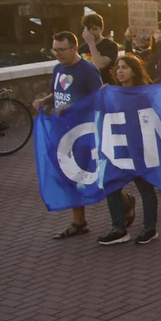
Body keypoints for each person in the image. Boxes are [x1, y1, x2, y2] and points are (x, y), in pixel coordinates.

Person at [36, 31, 106, 238]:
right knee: (70, 174)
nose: (57, 54)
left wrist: (74, 106)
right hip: (63, 132)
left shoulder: (88, 70)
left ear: (74, 48)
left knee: (92, 175)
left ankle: (124, 200)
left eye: (61, 50)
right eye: (54, 49)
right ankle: (79, 222)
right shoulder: (58, 68)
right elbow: (58, 93)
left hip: (83, 133)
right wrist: (44, 101)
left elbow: (99, 99)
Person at [94, 54, 161, 247]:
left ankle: (150, 227)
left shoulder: (145, 93)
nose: (120, 71)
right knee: (111, 185)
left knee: (145, 188)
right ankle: (118, 228)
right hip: (119, 148)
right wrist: (102, 96)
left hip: (139, 148)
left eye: (125, 67)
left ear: (134, 71)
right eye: (118, 68)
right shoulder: (111, 93)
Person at [79, 13, 120, 85]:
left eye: (94, 29)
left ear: (101, 29)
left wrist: (91, 43)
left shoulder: (110, 45)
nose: (91, 32)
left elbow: (99, 65)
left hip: (104, 87)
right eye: (88, 29)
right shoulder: (82, 48)